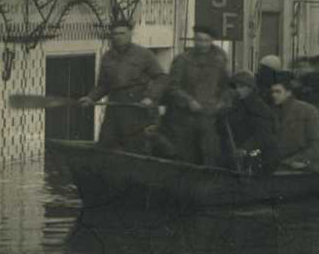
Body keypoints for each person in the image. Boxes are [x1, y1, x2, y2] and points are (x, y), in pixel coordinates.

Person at [84, 22, 169, 154]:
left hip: (137, 108)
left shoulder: (144, 55)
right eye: (115, 34)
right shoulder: (107, 57)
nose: (118, 37)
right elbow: (103, 85)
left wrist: (150, 97)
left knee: (135, 147)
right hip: (115, 107)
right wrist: (90, 97)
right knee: (106, 145)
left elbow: (161, 78)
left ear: (130, 34)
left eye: (122, 33)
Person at [163, 25, 232, 168]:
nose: (203, 44)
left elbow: (226, 86)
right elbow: (172, 87)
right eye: (199, 40)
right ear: (194, 40)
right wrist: (188, 101)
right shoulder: (182, 60)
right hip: (185, 118)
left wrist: (222, 102)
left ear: (211, 41)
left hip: (210, 116)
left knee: (210, 154)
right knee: (186, 157)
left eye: (207, 41)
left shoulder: (219, 60)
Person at [264, 73, 319, 175]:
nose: (274, 95)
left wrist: (300, 160)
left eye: (278, 91)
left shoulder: (307, 110)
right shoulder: (272, 112)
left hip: (302, 168)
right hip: (279, 167)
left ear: (288, 92)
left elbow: (316, 144)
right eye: (272, 92)